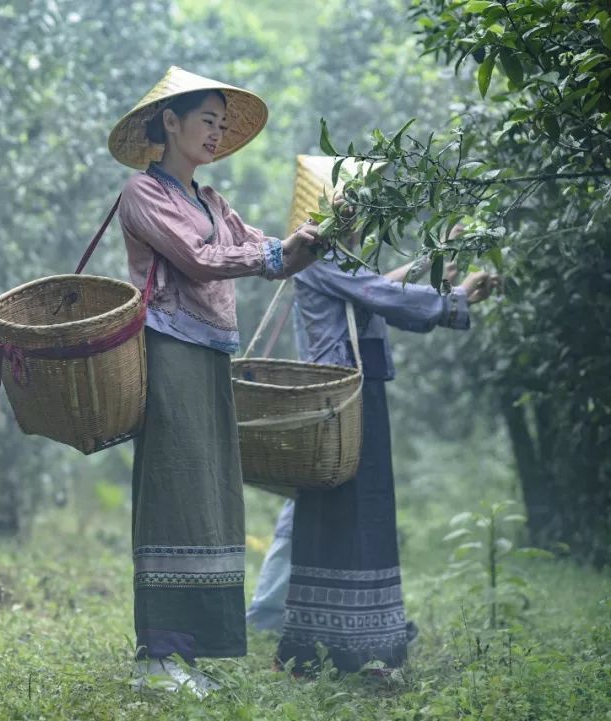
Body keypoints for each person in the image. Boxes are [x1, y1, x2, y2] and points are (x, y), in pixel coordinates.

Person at [108, 66, 327, 696]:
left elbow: (268, 255)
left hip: (211, 356)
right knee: (174, 491)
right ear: (170, 122)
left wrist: (312, 242)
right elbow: (202, 261)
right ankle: (156, 657)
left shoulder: (213, 201)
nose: (216, 132)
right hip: (169, 351)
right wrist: (272, 255)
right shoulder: (142, 194)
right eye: (207, 119)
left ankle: (190, 654)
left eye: (221, 123)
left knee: (208, 496)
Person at [267, 160, 497, 674]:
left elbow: (379, 288)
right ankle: (341, 647)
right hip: (340, 399)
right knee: (346, 512)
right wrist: (454, 294)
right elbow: (385, 295)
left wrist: (442, 261)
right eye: (351, 202)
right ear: (328, 210)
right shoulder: (321, 259)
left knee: (356, 510)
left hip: (351, 395)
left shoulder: (337, 262)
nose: (360, 212)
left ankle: (343, 641)